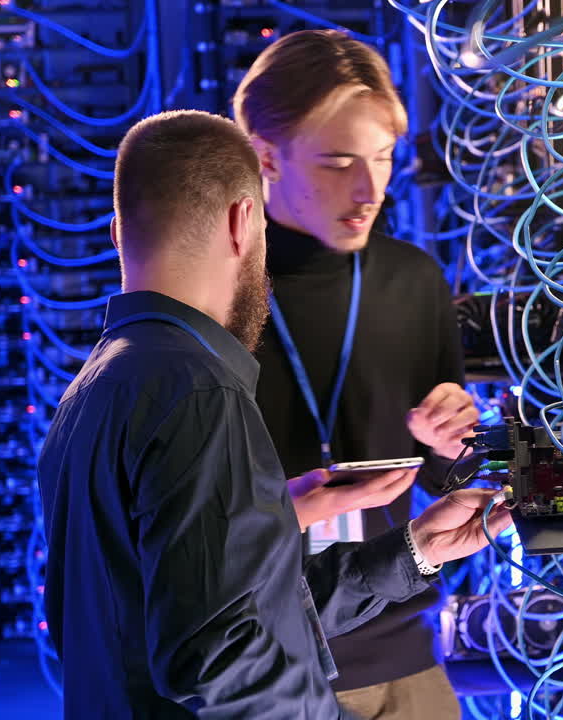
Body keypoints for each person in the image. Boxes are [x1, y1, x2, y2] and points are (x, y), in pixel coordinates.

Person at [35, 110, 513, 718]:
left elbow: (239, 616)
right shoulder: (199, 389)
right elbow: (218, 659)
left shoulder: (96, 386)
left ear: (116, 233)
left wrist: (414, 552)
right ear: (242, 222)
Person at [232, 30, 481, 718]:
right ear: (265, 158)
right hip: (260, 671)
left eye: (383, 157)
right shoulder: (215, 292)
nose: (370, 189)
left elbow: (442, 480)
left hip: (402, 655)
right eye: (339, 162)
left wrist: (452, 444)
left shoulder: (413, 281)